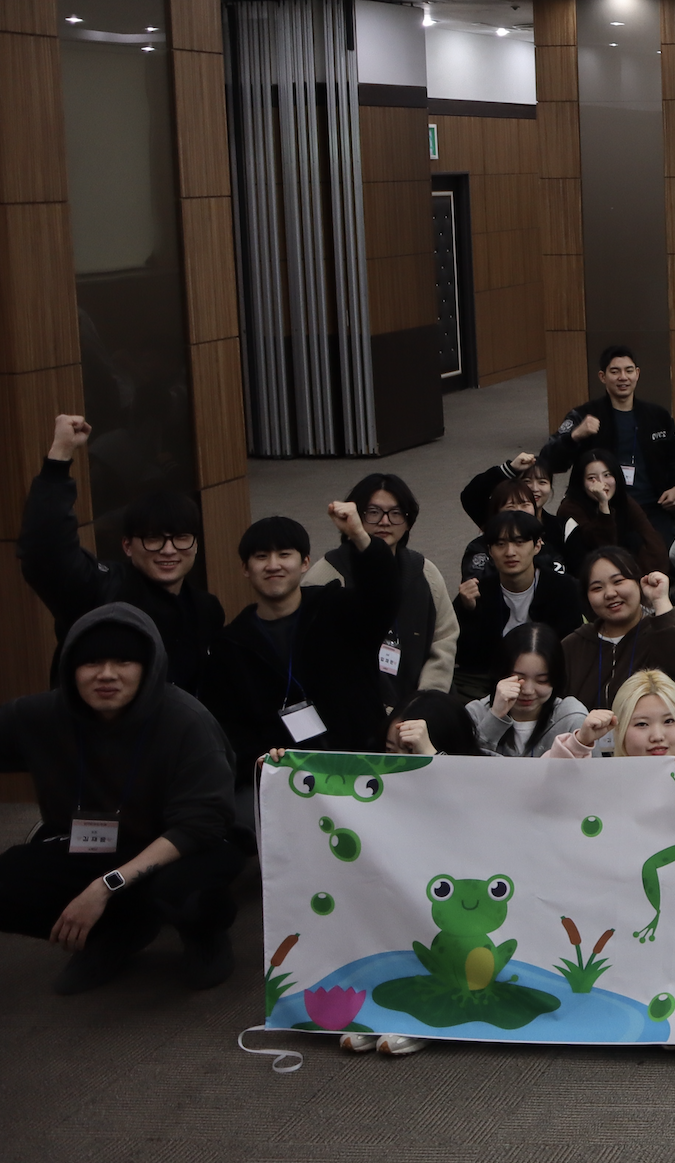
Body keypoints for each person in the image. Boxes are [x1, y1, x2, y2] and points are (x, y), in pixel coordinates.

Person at [0, 605, 242, 994]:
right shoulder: (42, 714)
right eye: (91, 662)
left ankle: (203, 936)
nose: (107, 674)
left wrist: (105, 887)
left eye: (123, 661)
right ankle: (118, 930)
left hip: (180, 849)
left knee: (185, 894)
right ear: (70, 668)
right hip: (98, 844)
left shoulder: (186, 720)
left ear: (148, 667)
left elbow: (201, 824)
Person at [20, 414, 223, 696]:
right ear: (127, 546)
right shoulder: (101, 591)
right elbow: (46, 551)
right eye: (153, 539)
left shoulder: (206, 610)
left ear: (196, 544)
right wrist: (60, 455)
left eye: (180, 538)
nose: (168, 550)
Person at [203, 504, 400, 782]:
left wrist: (359, 535)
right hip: (285, 780)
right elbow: (228, 726)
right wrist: (260, 760)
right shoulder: (231, 645)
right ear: (245, 568)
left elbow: (384, 594)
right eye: (261, 556)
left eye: (284, 554)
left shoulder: (338, 609)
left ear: (305, 562)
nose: (273, 565)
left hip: (362, 765)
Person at [295, 472, 455, 705]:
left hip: (422, 707)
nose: (385, 521)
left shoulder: (424, 571)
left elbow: (445, 638)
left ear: (408, 521)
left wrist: (425, 701)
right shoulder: (326, 575)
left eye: (396, 513)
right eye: (373, 512)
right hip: (352, 709)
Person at [541, 344, 675, 545]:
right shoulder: (585, 416)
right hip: (599, 508)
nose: (623, 377)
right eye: (615, 371)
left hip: (652, 507)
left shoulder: (658, 416)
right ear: (602, 377)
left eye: (629, 370)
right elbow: (549, 461)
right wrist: (575, 436)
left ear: (637, 374)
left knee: (663, 557)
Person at [450, 511, 584, 701]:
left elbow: (570, 648)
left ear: (537, 545)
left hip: (547, 678)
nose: (510, 552)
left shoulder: (563, 588)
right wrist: (469, 611)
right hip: (489, 682)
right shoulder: (479, 591)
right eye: (500, 544)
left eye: (519, 542)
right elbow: (463, 657)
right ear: (490, 551)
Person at [558, 547, 675, 709]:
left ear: (639, 582)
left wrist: (660, 600)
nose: (610, 593)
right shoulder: (573, 645)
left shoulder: (663, 632)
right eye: (597, 588)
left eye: (618, 581)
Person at [463, 622, 587, 757]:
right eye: (518, 678)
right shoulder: (475, 714)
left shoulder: (572, 718)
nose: (528, 690)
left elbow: (593, 768)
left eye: (542, 680)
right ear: (501, 672)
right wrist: (495, 717)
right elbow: (463, 765)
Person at [558, 447, 671, 578]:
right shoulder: (570, 508)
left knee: (638, 540)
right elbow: (603, 545)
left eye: (607, 475)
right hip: (588, 572)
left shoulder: (623, 500)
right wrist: (603, 504)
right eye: (592, 478)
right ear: (581, 483)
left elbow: (650, 537)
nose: (602, 483)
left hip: (625, 569)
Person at [545, 669, 675, 760]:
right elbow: (547, 783)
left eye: (669, 721)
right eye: (642, 724)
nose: (657, 736)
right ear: (619, 729)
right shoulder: (604, 781)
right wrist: (579, 743)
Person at [460, 450, 568, 562]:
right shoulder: (495, 521)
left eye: (542, 482)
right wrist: (509, 469)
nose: (535, 489)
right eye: (527, 481)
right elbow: (470, 495)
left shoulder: (562, 528)